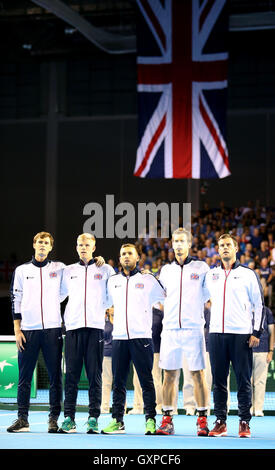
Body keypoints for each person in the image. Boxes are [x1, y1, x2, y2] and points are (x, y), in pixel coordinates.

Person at [205, 233, 265, 438]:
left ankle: (244, 422)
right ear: (217, 249)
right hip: (216, 335)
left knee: (243, 380)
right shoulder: (211, 275)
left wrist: (256, 332)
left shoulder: (248, 274)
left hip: (241, 335)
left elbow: (259, 305)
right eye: (221, 245)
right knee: (219, 381)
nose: (224, 248)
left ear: (236, 248)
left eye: (228, 245)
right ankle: (220, 421)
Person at [101, 243, 165, 435]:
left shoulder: (148, 280)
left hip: (142, 337)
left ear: (138, 258)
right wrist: (109, 312)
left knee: (147, 381)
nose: (126, 256)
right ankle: (118, 421)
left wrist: (153, 277)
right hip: (119, 337)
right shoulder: (112, 281)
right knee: (118, 382)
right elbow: (105, 302)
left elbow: (164, 296)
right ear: (120, 259)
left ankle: (151, 420)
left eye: (130, 253)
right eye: (123, 254)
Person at [8, 231, 65, 433]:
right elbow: (16, 299)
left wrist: (97, 261)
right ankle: (22, 419)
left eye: (46, 243)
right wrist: (17, 328)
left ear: (51, 247)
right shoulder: (22, 270)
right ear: (34, 245)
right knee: (24, 377)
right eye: (39, 242)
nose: (42, 245)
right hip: (28, 331)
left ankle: (54, 419)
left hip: (52, 330)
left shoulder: (60, 268)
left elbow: (71, 286)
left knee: (55, 377)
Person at [58, 233, 115, 434]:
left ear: (94, 246)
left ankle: (93, 418)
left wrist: (99, 308)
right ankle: (69, 418)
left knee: (94, 376)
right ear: (76, 247)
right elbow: (58, 295)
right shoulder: (67, 271)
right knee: (71, 376)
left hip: (95, 328)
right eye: (80, 244)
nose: (83, 247)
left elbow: (111, 297)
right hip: (73, 328)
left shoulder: (105, 269)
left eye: (87, 244)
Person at [156, 227, 210, 436]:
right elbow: (161, 297)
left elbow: (206, 296)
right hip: (169, 329)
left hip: (193, 329)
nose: (178, 245)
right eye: (175, 241)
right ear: (172, 244)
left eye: (182, 241)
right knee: (169, 375)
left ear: (189, 244)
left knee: (198, 374)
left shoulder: (201, 267)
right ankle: (167, 419)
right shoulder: (166, 271)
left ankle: (202, 419)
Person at [127, 304, 164, 415]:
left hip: (156, 350)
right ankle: (138, 406)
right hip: (139, 348)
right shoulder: (136, 311)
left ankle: (158, 406)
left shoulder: (159, 314)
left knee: (156, 378)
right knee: (137, 378)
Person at [251, 306, 274, 416]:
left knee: (260, 381)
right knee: (247, 382)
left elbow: (272, 332)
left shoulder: (267, 311)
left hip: (263, 351)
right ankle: (248, 409)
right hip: (246, 352)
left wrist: (270, 351)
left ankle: (258, 409)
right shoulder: (244, 309)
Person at [101, 308, 114, 414]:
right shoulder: (104, 322)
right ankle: (105, 407)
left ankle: (122, 408)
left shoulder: (122, 321)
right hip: (107, 355)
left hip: (120, 354)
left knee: (120, 382)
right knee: (106, 382)